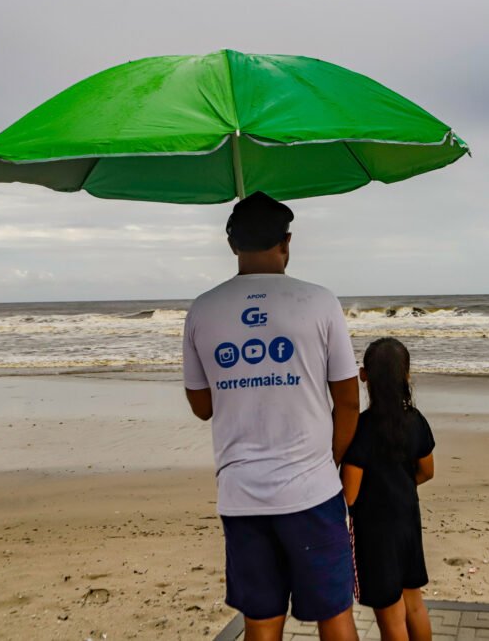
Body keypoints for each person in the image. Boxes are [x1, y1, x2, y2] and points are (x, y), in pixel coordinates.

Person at [182, 191, 361, 641]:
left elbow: (202, 407)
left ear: (231, 244)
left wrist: (245, 377)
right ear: (287, 242)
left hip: (241, 495)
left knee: (261, 622)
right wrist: (330, 461)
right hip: (313, 491)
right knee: (334, 617)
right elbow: (348, 400)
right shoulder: (320, 301)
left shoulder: (203, 309)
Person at [340, 338, 435, 641]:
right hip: (408, 520)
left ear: (363, 375)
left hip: (375, 533)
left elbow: (350, 494)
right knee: (414, 605)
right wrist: (400, 486)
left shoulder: (362, 429)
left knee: (391, 617)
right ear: (407, 376)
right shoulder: (416, 420)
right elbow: (426, 471)